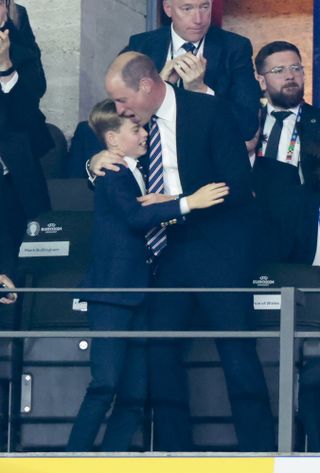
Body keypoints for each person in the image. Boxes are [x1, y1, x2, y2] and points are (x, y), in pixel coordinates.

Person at [90, 51, 275, 452]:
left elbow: (237, 184)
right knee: (161, 352)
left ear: (145, 85)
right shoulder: (129, 126)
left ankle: (261, 453)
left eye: (123, 100)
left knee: (237, 351)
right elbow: (93, 157)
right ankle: (175, 454)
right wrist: (95, 163)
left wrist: (175, 200)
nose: (119, 110)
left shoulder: (208, 110)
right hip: (166, 252)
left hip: (219, 248)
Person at [66, 98, 229, 452]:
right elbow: (135, 219)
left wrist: (164, 205)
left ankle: (111, 459)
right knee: (105, 385)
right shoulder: (112, 172)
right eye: (136, 129)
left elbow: (139, 214)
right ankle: (71, 459)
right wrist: (189, 202)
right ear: (112, 139)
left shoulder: (130, 172)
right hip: (113, 294)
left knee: (135, 394)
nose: (145, 134)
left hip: (138, 293)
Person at [121, 0, 261, 141]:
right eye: (187, 8)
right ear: (168, 8)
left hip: (208, 159)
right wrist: (159, 89)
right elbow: (121, 117)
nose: (198, 19)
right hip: (154, 155)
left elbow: (247, 126)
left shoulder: (235, 48)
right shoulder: (141, 45)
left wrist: (202, 90)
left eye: (204, 7)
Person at [0, 2, 53, 256]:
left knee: (24, 251)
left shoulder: (21, 50)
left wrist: (6, 67)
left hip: (14, 169)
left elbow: (25, 113)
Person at [252, 41, 320, 196]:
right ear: (262, 81)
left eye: (296, 69)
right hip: (252, 213)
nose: (290, 76)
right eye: (279, 70)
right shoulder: (250, 121)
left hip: (303, 213)